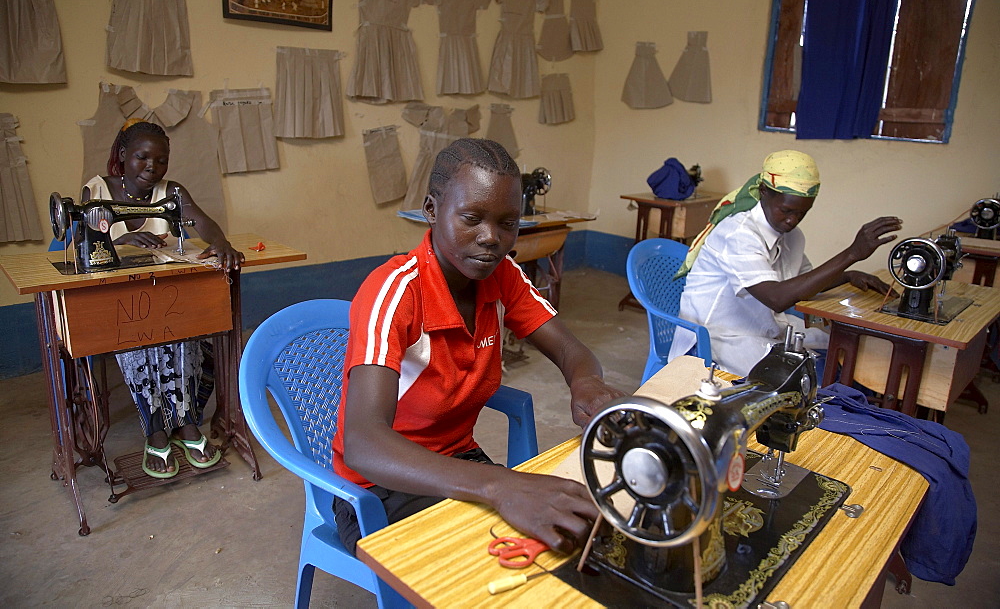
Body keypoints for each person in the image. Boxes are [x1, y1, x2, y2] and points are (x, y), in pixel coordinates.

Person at [332, 138, 626, 556]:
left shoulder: (501, 275)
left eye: (508, 223)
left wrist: (587, 382)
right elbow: (364, 443)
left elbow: (569, 349)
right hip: (377, 488)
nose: (491, 238)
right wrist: (500, 484)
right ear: (431, 210)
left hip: (459, 462)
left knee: (572, 537)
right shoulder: (396, 292)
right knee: (494, 564)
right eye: (471, 217)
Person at [82, 119, 244, 478]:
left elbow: (203, 223)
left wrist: (220, 243)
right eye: (142, 158)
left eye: (161, 161)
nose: (152, 168)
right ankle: (155, 431)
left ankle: (187, 423)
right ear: (124, 156)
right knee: (140, 344)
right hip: (120, 303)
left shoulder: (171, 193)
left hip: (167, 295)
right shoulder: (97, 191)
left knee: (190, 337)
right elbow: (88, 240)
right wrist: (122, 241)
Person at [669, 149, 902, 377]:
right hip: (716, 340)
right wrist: (850, 254)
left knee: (841, 353)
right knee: (815, 379)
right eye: (786, 210)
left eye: (802, 213)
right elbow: (777, 298)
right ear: (763, 192)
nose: (793, 220)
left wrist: (849, 275)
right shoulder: (738, 234)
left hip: (760, 330)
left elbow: (804, 285)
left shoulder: (792, 235)